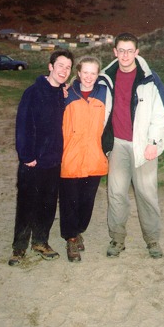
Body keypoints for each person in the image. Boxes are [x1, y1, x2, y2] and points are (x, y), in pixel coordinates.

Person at [98, 32, 164, 258]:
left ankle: (152, 240)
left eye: (130, 50)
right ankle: (117, 239)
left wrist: (154, 143)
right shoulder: (106, 77)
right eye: (121, 50)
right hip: (118, 145)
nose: (125, 55)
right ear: (115, 52)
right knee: (116, 193)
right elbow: (85, 90)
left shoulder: (150, 79)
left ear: (137, 52)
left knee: (146, 194)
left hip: (143, 146)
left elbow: (162, 114)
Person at [8, 49, 74, 266]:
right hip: (33, 161)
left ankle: (40, 241)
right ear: (50, 66)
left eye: (68, 67)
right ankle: (19, 248)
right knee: (27, 203)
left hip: (53, 160)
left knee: (47, 203)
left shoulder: (61, 94)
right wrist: (27, 156)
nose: (64, 70)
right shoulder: (33, 92)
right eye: (60, 65)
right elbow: (23, 125)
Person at [59, 56, 111, 262]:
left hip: (94, 157)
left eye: (93, 73)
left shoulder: (105, 94)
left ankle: (78, 229)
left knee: (86, 200)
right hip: (70, 156)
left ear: (98, 74)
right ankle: (70, 238)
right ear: (78, 73)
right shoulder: (66, 94)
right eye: (85, 72)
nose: (89, 77)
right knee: (69, 200)